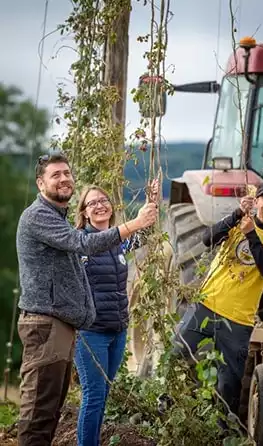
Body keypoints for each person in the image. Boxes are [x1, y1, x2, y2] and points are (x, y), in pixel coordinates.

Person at [16, 152, 158, 446]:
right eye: (56, 175)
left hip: (77, 325)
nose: (64, 178)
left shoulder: (67, 223)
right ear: (40, 183)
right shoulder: (46, 219)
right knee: (41, 408)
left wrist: (150, 209)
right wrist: (133, 224)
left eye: (67, 173)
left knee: (51, 408)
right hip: (53, 324)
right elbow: (84, 244)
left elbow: (139, 237)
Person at [172, 181, 263, 415]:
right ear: (256, 201)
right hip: (205, 306)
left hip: (238, 320)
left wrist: (252, 235)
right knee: (174, 358)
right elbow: (207, 239)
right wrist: (236, 214)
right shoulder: (238, 221)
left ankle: (222, 433)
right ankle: (163, 413)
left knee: (228, 385)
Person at [73, 180, 159, 446]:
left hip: (117, 330)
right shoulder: (81, 243)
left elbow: (143, 234)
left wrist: (152, 202)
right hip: (91, 333)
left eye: (103, 200)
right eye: (92, 203)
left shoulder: (117, 242)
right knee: (93, 396)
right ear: (84, 212)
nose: (99, 206)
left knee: (104, 394)